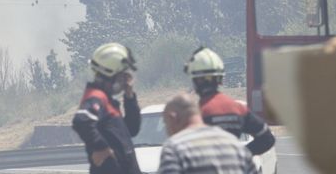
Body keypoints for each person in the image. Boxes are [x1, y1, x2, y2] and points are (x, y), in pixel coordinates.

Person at [183, 47, 275, 156]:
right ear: (221, 78)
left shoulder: (197, 113)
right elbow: (267, 139)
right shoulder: (238, 108)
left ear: (195, 81)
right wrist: (239, 155)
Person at [72, 42, 143, 174]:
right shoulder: (96, 97)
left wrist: (129, 97)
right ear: (112, 74)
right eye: (123, 75)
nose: (126, 80)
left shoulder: (109, 102)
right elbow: (81, 120)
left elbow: (132, 130)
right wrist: (101, 147)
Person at [158, 93, 258, 174]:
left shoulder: (175, 148)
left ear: (172, 117)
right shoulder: (236, 146)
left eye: (165, 123)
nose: (167, 130)